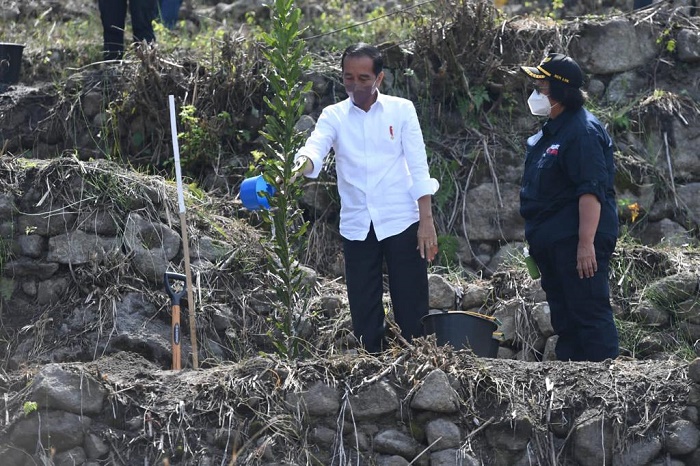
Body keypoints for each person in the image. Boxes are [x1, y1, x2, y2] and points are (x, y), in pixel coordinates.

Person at [293, 43, 440, 353]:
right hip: (358, 224)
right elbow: (314, 148)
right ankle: (371, 371)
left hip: (401, 220)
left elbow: (418, 165)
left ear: (380, 78)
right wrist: (296, 167)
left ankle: (419, 367)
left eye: (363, 78)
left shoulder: (401, 110)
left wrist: (426, 221)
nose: (355, 86)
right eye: (348, 78)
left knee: (412, 305)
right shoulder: (334, 116)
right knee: (363, 310)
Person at [519, 53, 619, 362]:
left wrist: (586, 243)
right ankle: (573, 391)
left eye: (542, 85)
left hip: (577, 242)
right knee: (566, 320)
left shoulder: (582, 131)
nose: (536, 91)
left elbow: (591, 190)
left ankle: (605, 389)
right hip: (554, 245)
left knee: (588, 313)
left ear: (559, 90)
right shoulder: (554, 130)